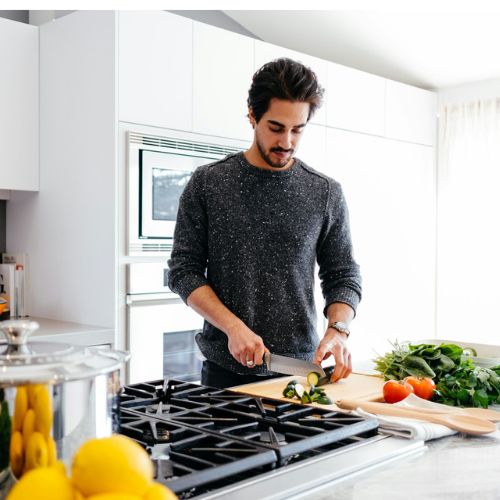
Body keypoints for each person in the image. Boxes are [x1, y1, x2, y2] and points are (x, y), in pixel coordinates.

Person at [167, 58, 362, 389]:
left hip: (301, 372)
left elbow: (343, 274)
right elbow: (183, 272)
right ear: (252, 115)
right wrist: (232, 327)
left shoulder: (325, 192)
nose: (286, 141)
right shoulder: (208, 183)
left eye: (297, 129)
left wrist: (338, 329)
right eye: (276, 127)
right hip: (224, 375)